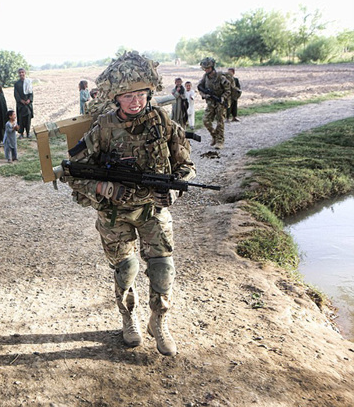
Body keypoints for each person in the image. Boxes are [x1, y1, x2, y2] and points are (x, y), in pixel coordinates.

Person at [62, 52, 196, 356]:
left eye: (141, 95)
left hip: (152, 209)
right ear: (116, 98)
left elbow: (186, 167)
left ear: (149, 93)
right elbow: (72, 172)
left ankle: (158, 321)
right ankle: (129, 317)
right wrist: (102, 187)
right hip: (114, 213)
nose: (135, 102)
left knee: (163, 268)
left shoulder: (162, 122)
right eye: (128, 96)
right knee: (127, 268)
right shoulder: (103, 128)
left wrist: (174, 191)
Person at [197, 57, 231, 149]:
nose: (206, 70)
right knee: (206, 120)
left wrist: (222, 98)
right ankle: (214, 136)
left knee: (220, 122)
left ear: (212, 67)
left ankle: (220, 141)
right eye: (205, 68)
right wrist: (205, 95)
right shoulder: (205, 77)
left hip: (220, 103)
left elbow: (228, 90)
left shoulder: (220, 77)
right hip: (211, 102)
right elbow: (200, 87)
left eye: (208, 68)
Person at [14, 68, 34, 138]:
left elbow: (31, 93)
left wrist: (29, 100)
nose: (21, 74)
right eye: (20, 73)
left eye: (22, 72)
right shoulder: (17, 84)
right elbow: (16, 94)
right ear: (18, 74)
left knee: (28, 119)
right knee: (21, 119)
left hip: (28, 105)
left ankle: (28, 133)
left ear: (25, 73)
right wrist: (20, 100)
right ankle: (21, 133)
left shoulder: (28, 82)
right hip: (21, 105)